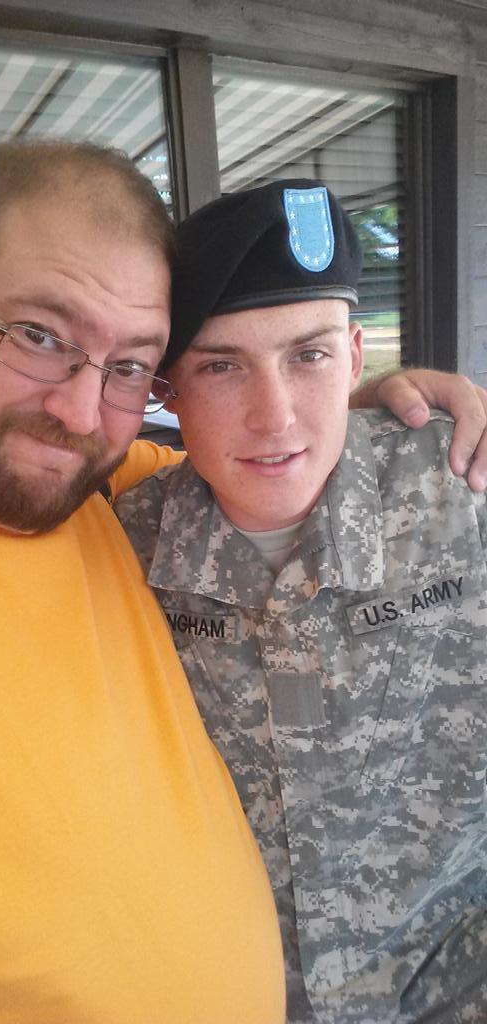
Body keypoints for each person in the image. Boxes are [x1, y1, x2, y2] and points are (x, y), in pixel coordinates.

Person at [0, 138, 289, 1023]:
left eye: (127, 368)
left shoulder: (107, 490)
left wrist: (382, 406)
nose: (80, 414)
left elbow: (263, 452)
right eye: (39, 336)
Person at [115, 180, 487, 1024]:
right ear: (168, 390)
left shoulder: (462, 487)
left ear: (355, 357)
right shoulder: (122, 550)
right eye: (221, 366)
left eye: (308, 356)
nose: (275, 415)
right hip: (243, 999)